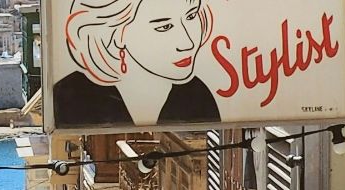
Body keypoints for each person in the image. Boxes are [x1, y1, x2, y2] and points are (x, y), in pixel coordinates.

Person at [51, 0, 221, 128]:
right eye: (164, 27)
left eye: (191, 16)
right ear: (117, 34)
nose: (188, 42)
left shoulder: (197, 94)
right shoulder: (72, 97)